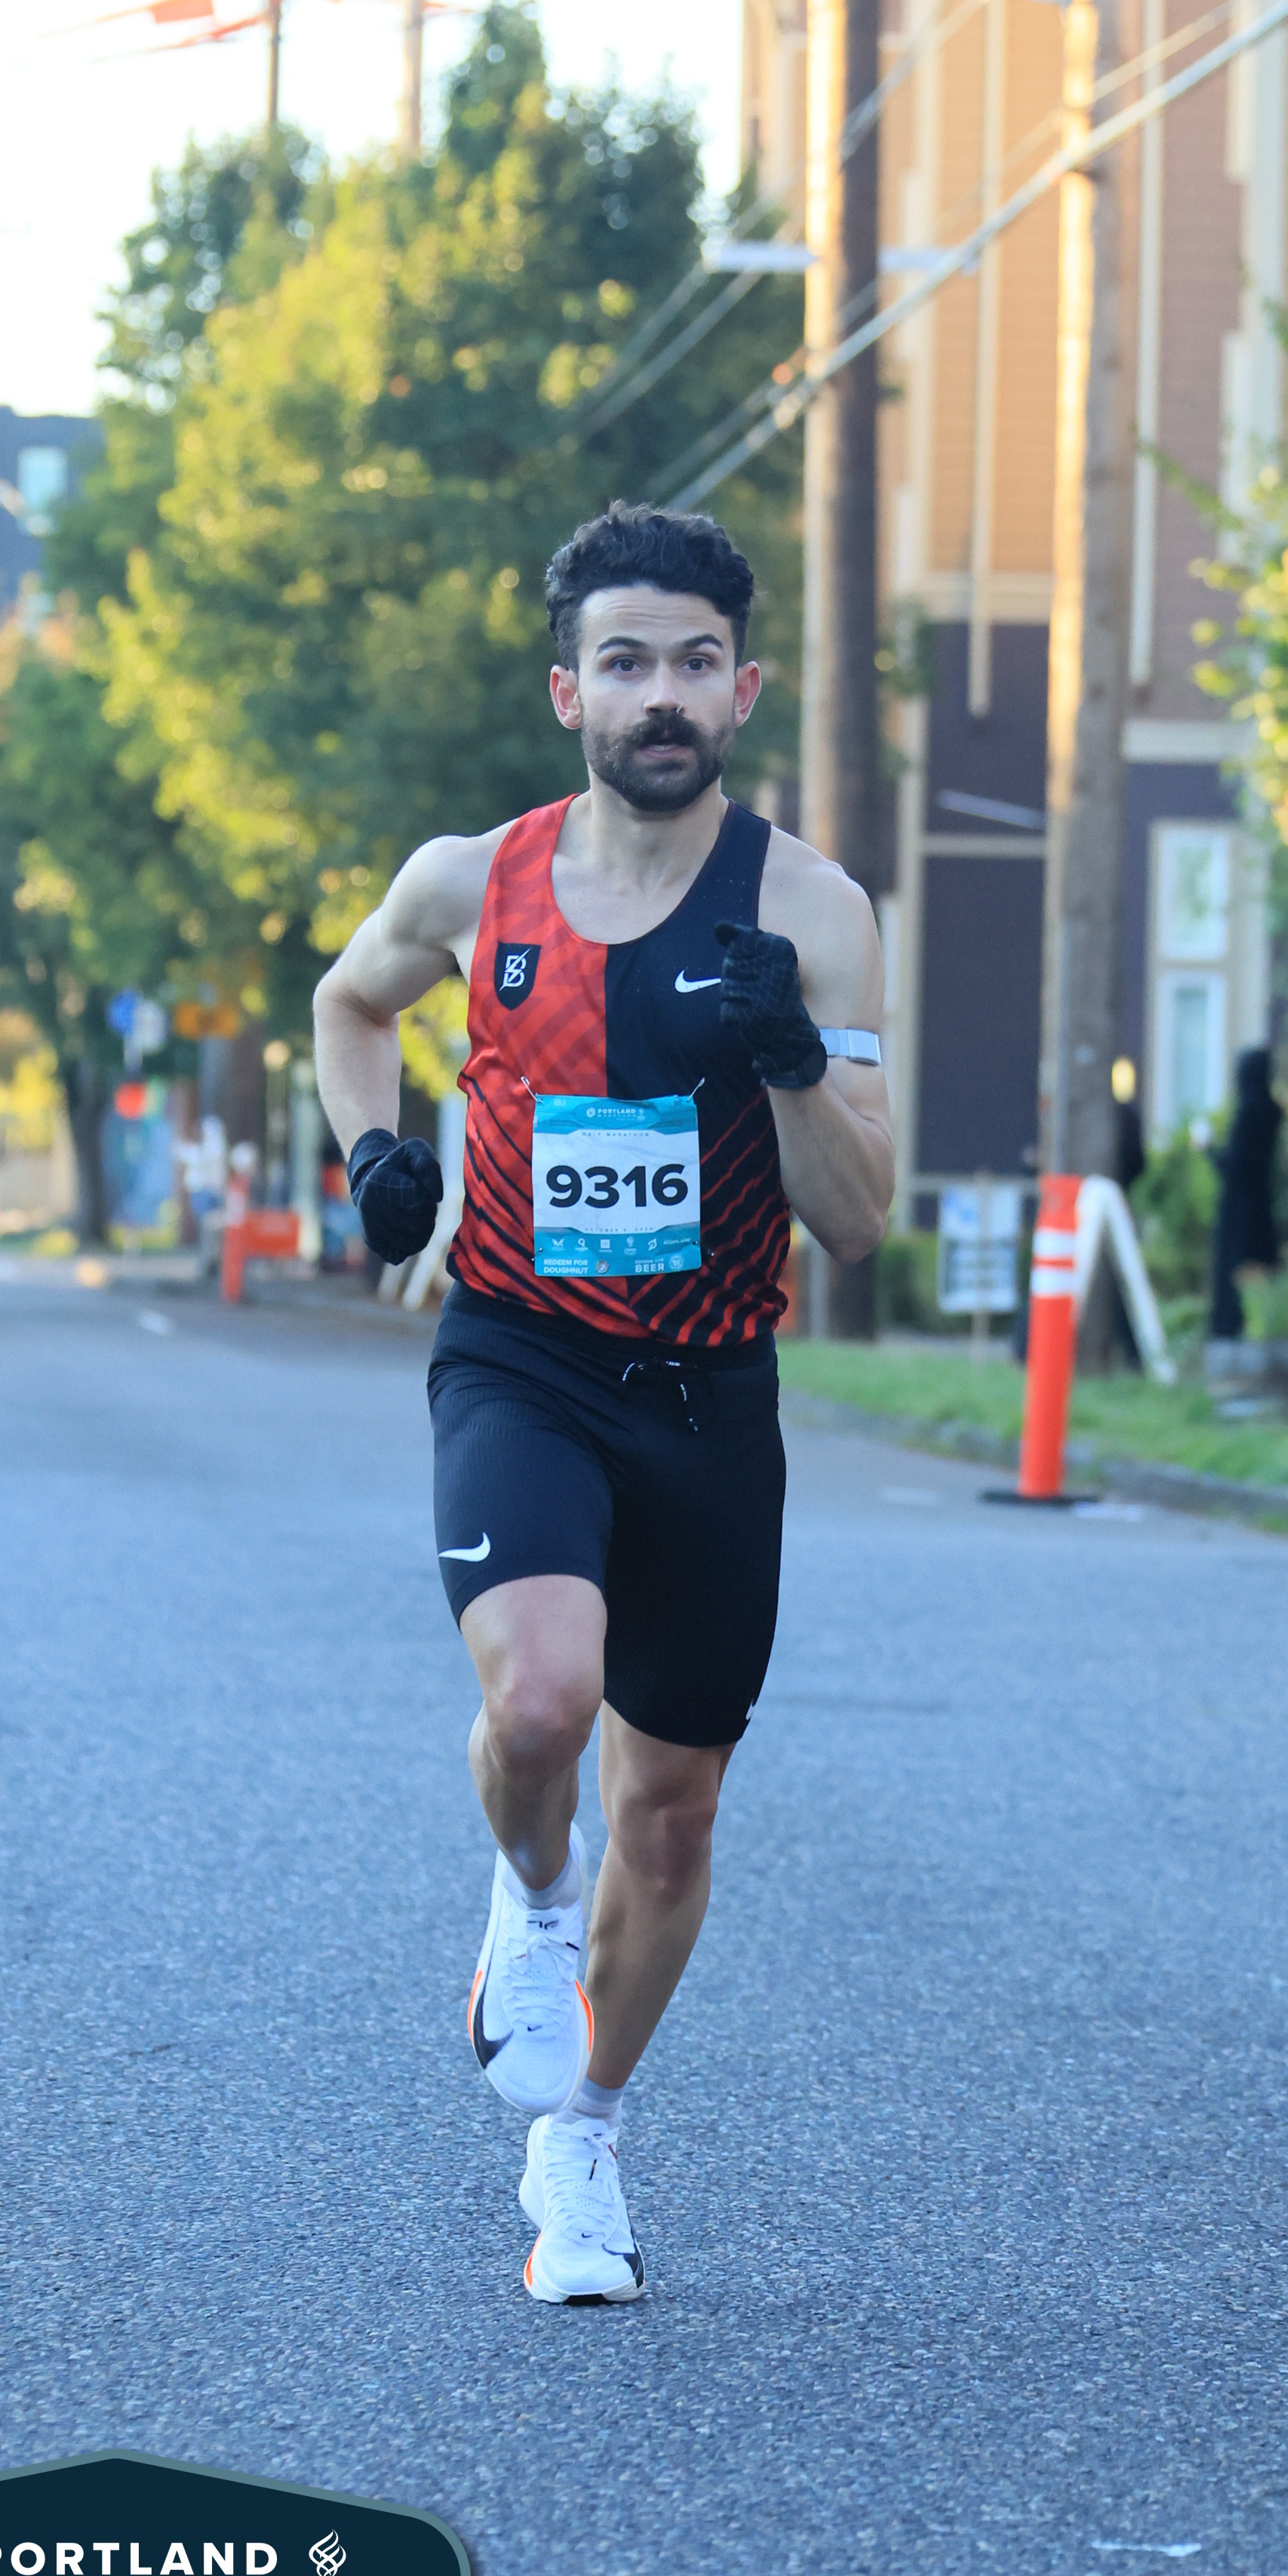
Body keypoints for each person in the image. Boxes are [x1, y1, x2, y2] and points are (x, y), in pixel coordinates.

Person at [313, 500, 893, 2304]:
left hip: (710, 1391)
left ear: (742, 690)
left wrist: (788, 1058)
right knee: (541, 1697)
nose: (660, 695)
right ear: (569, 691)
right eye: (624, 662)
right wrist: (375, 1156)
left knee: (674, 1810)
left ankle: (582, 2136)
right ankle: (529, 1898)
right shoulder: (466, 882)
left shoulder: (811, 910)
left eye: (693, 664)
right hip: (524, 1356)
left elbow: (858, 1220)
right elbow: (347, 1005)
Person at [1209, 1043, 1283, 1340]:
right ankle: (1262, 1324)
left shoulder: (1248, 1112)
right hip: (1262, 1199)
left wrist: (1208, 1150)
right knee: (1260, 1268)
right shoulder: (1272, 1112)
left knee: (1232, 1266)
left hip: (1239, 1204)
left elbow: (1235, 1165)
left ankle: (1229, 1328)